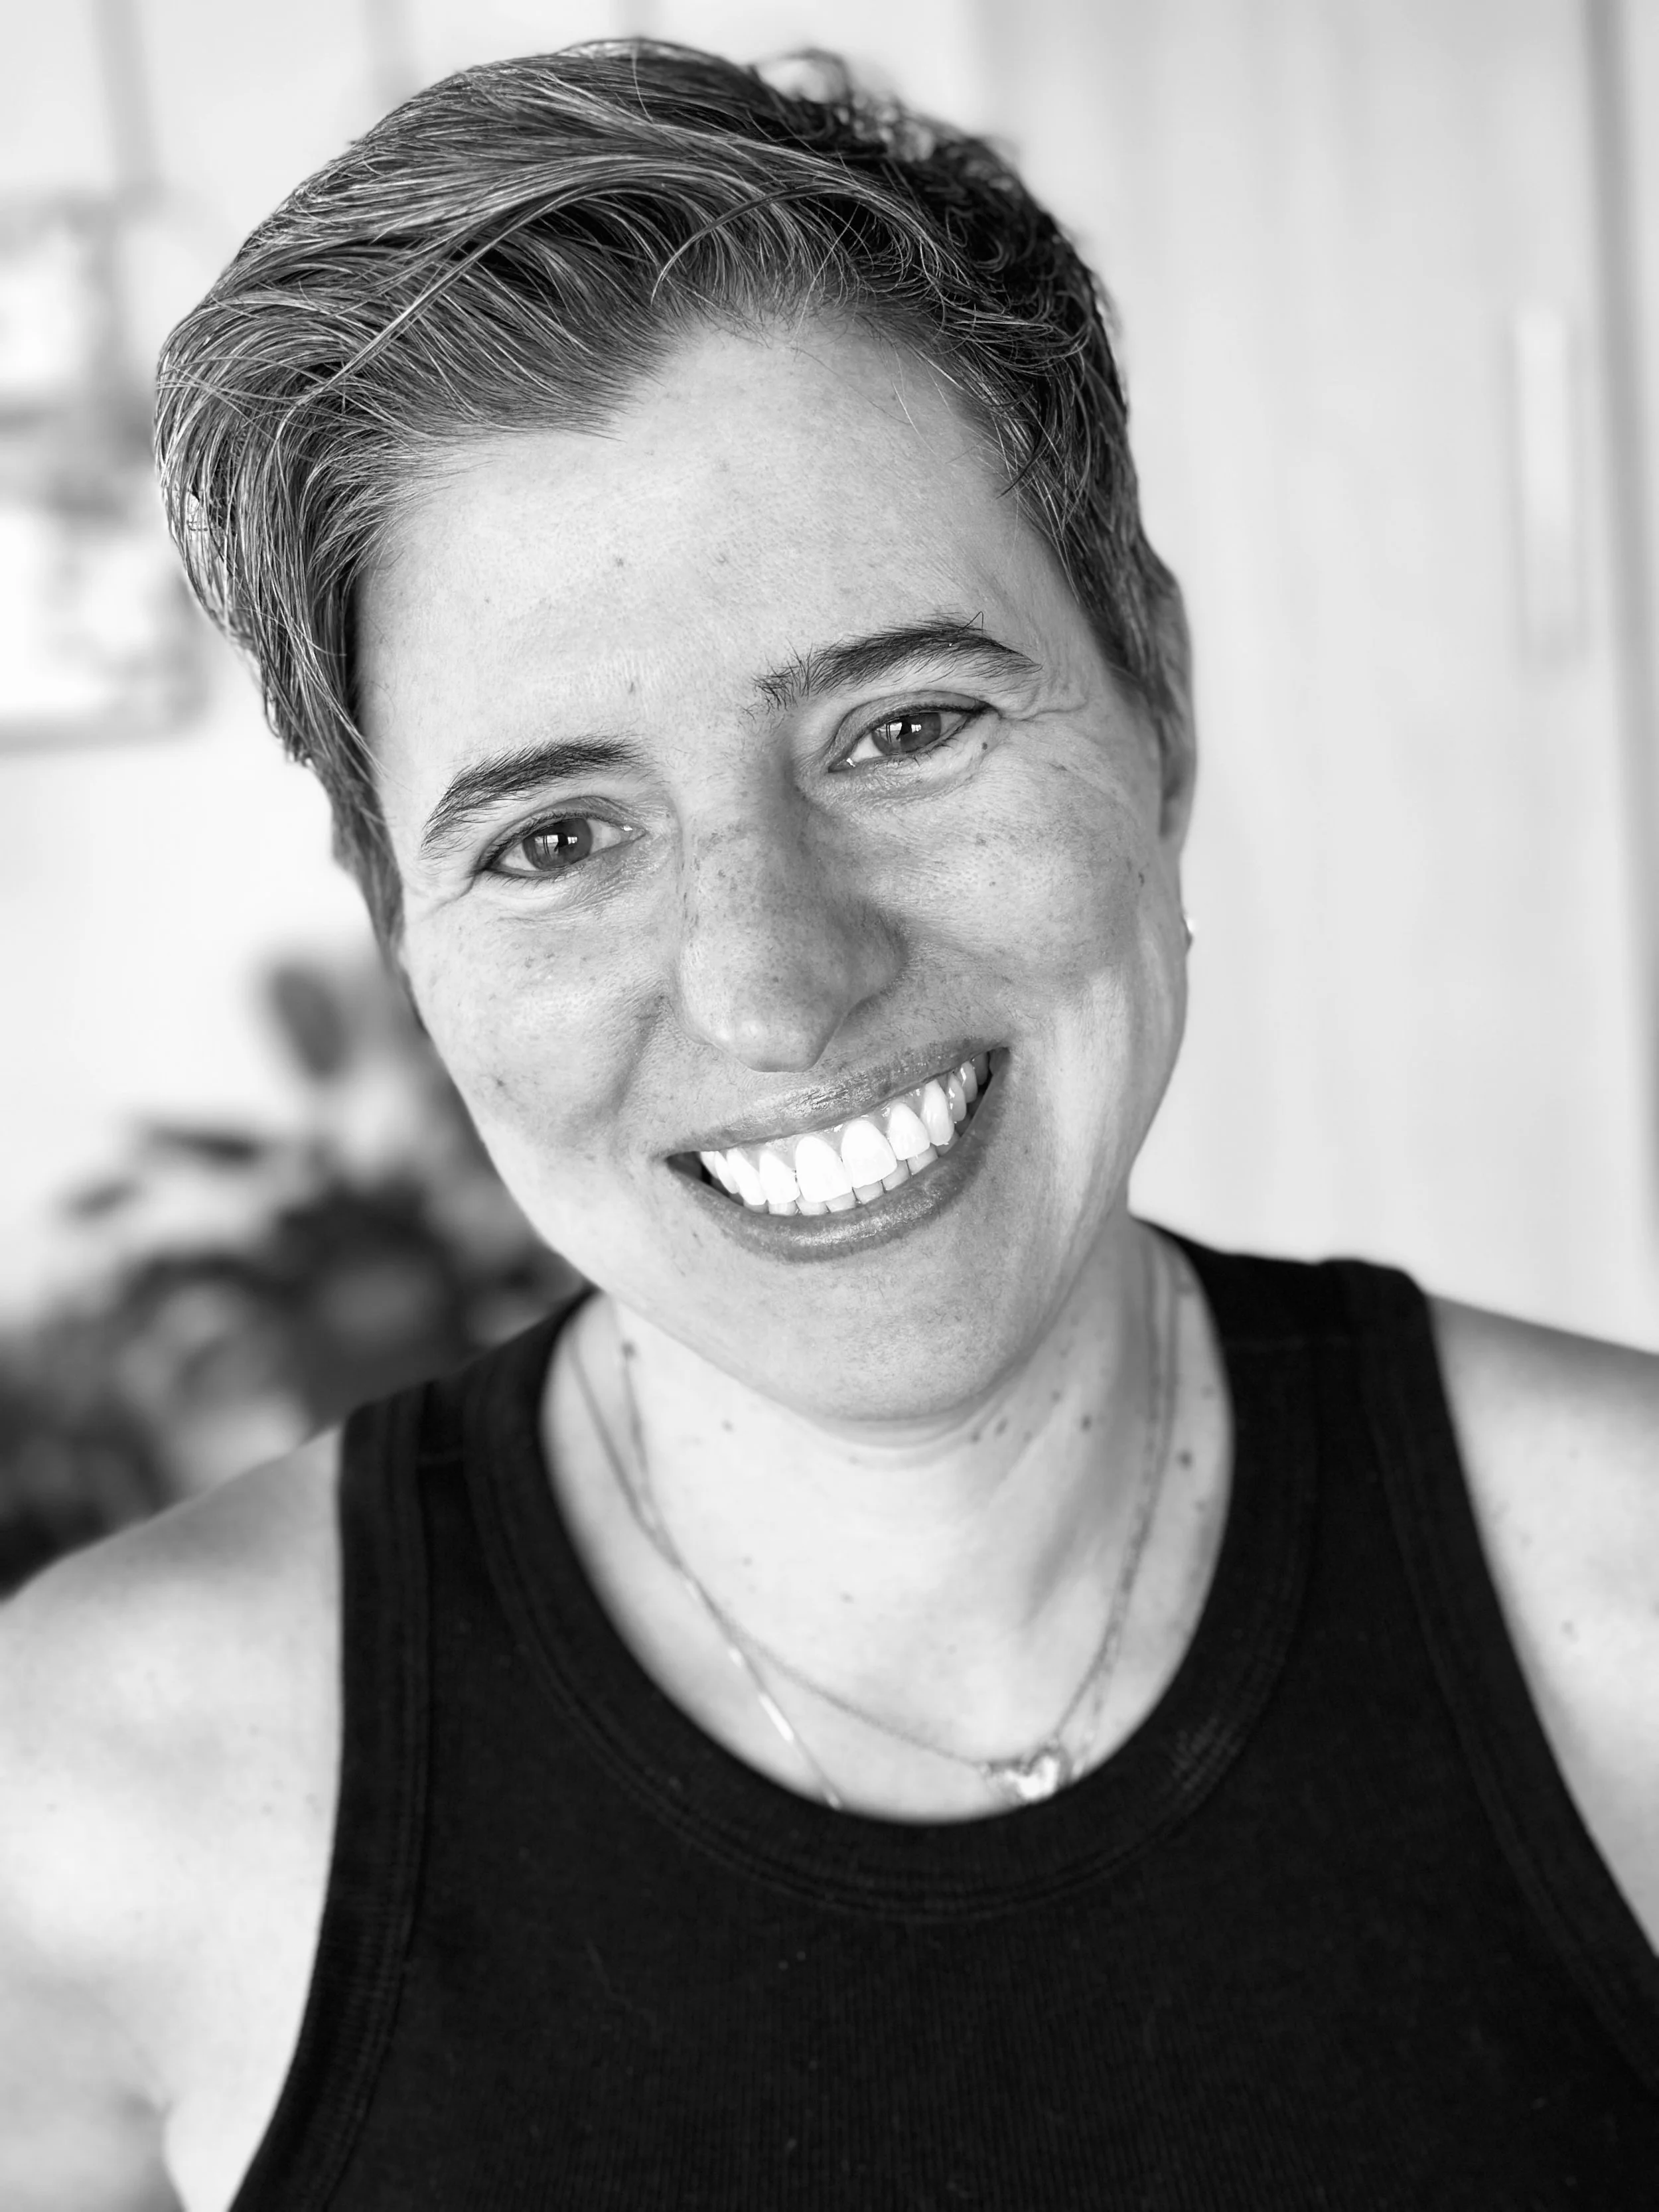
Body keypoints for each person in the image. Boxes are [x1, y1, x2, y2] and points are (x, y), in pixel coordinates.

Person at [1, 39, 1656, 2210]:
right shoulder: (74, 1825)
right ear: (399, 926)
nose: (773, 982)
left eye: (903, 724)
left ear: (1154, 705)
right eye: (555, 837)